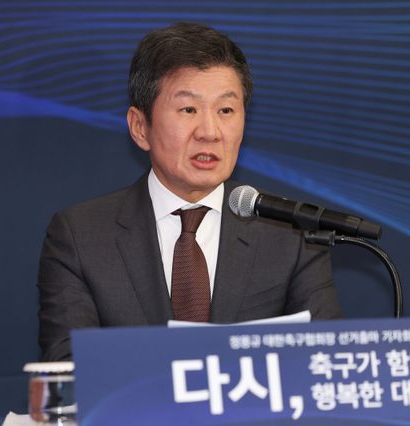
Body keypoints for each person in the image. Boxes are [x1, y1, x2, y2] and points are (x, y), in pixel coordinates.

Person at [37, 22, 341, 361]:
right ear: (140, 127)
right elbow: (71, 369)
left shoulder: (291, 233)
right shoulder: (81, 237)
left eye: (225, 110)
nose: (210, 132)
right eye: (188, 110)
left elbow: (324, 362)